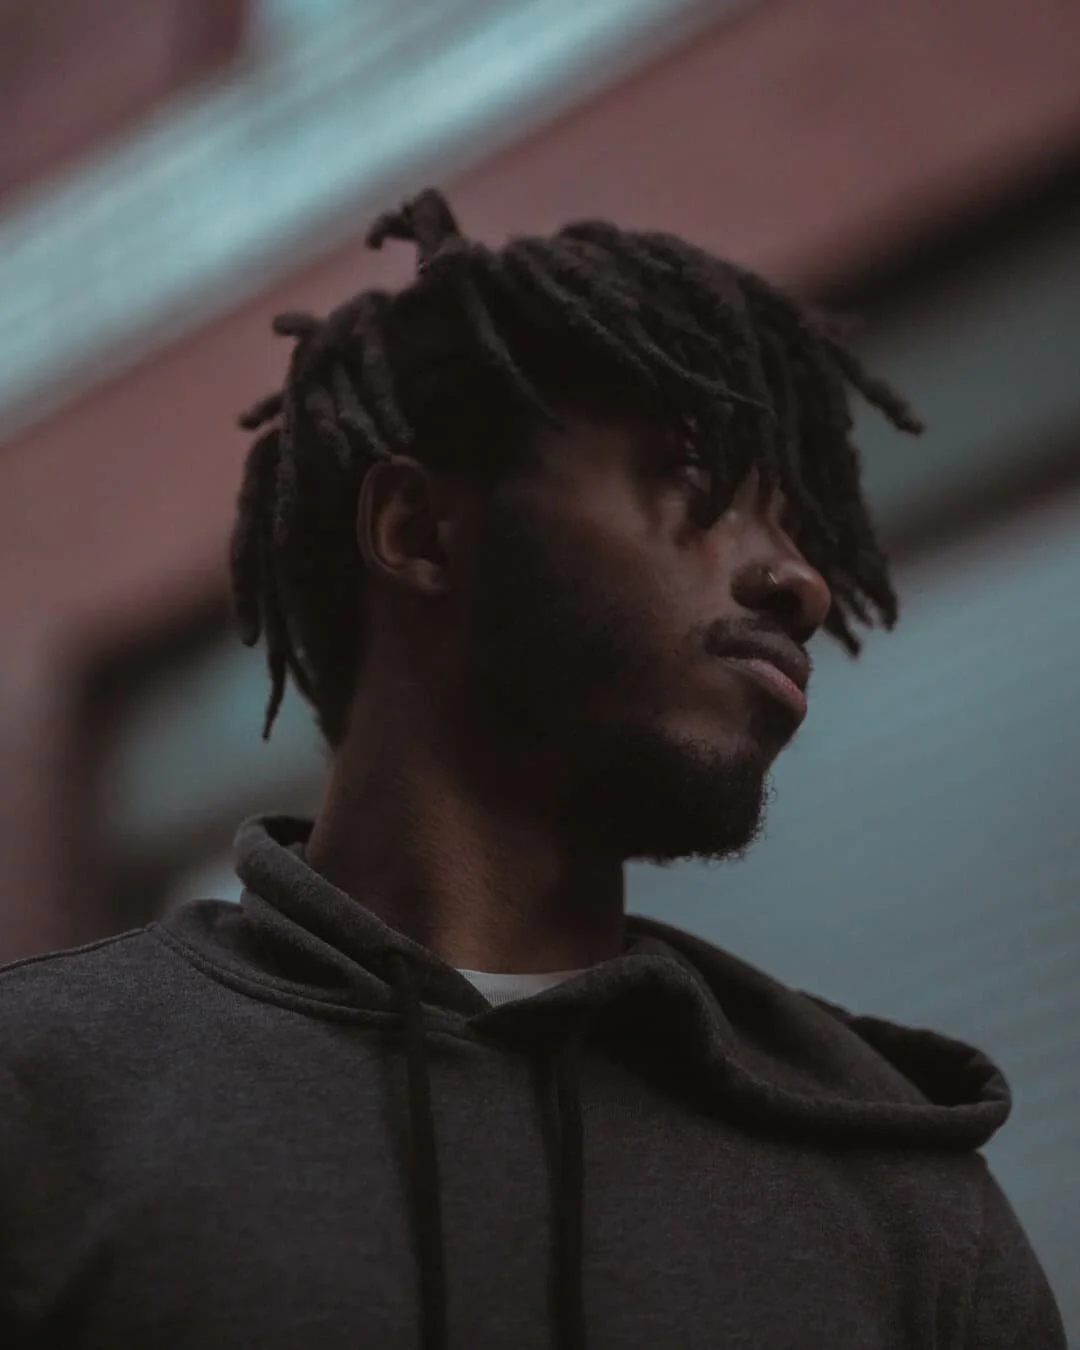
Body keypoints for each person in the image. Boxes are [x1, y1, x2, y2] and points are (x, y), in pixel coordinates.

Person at [0, 190, 1065, 1350]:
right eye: (693, 479)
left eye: (798, 527)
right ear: (418, 531)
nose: (800, 582)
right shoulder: (49, 1091)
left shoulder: (900, 1196)